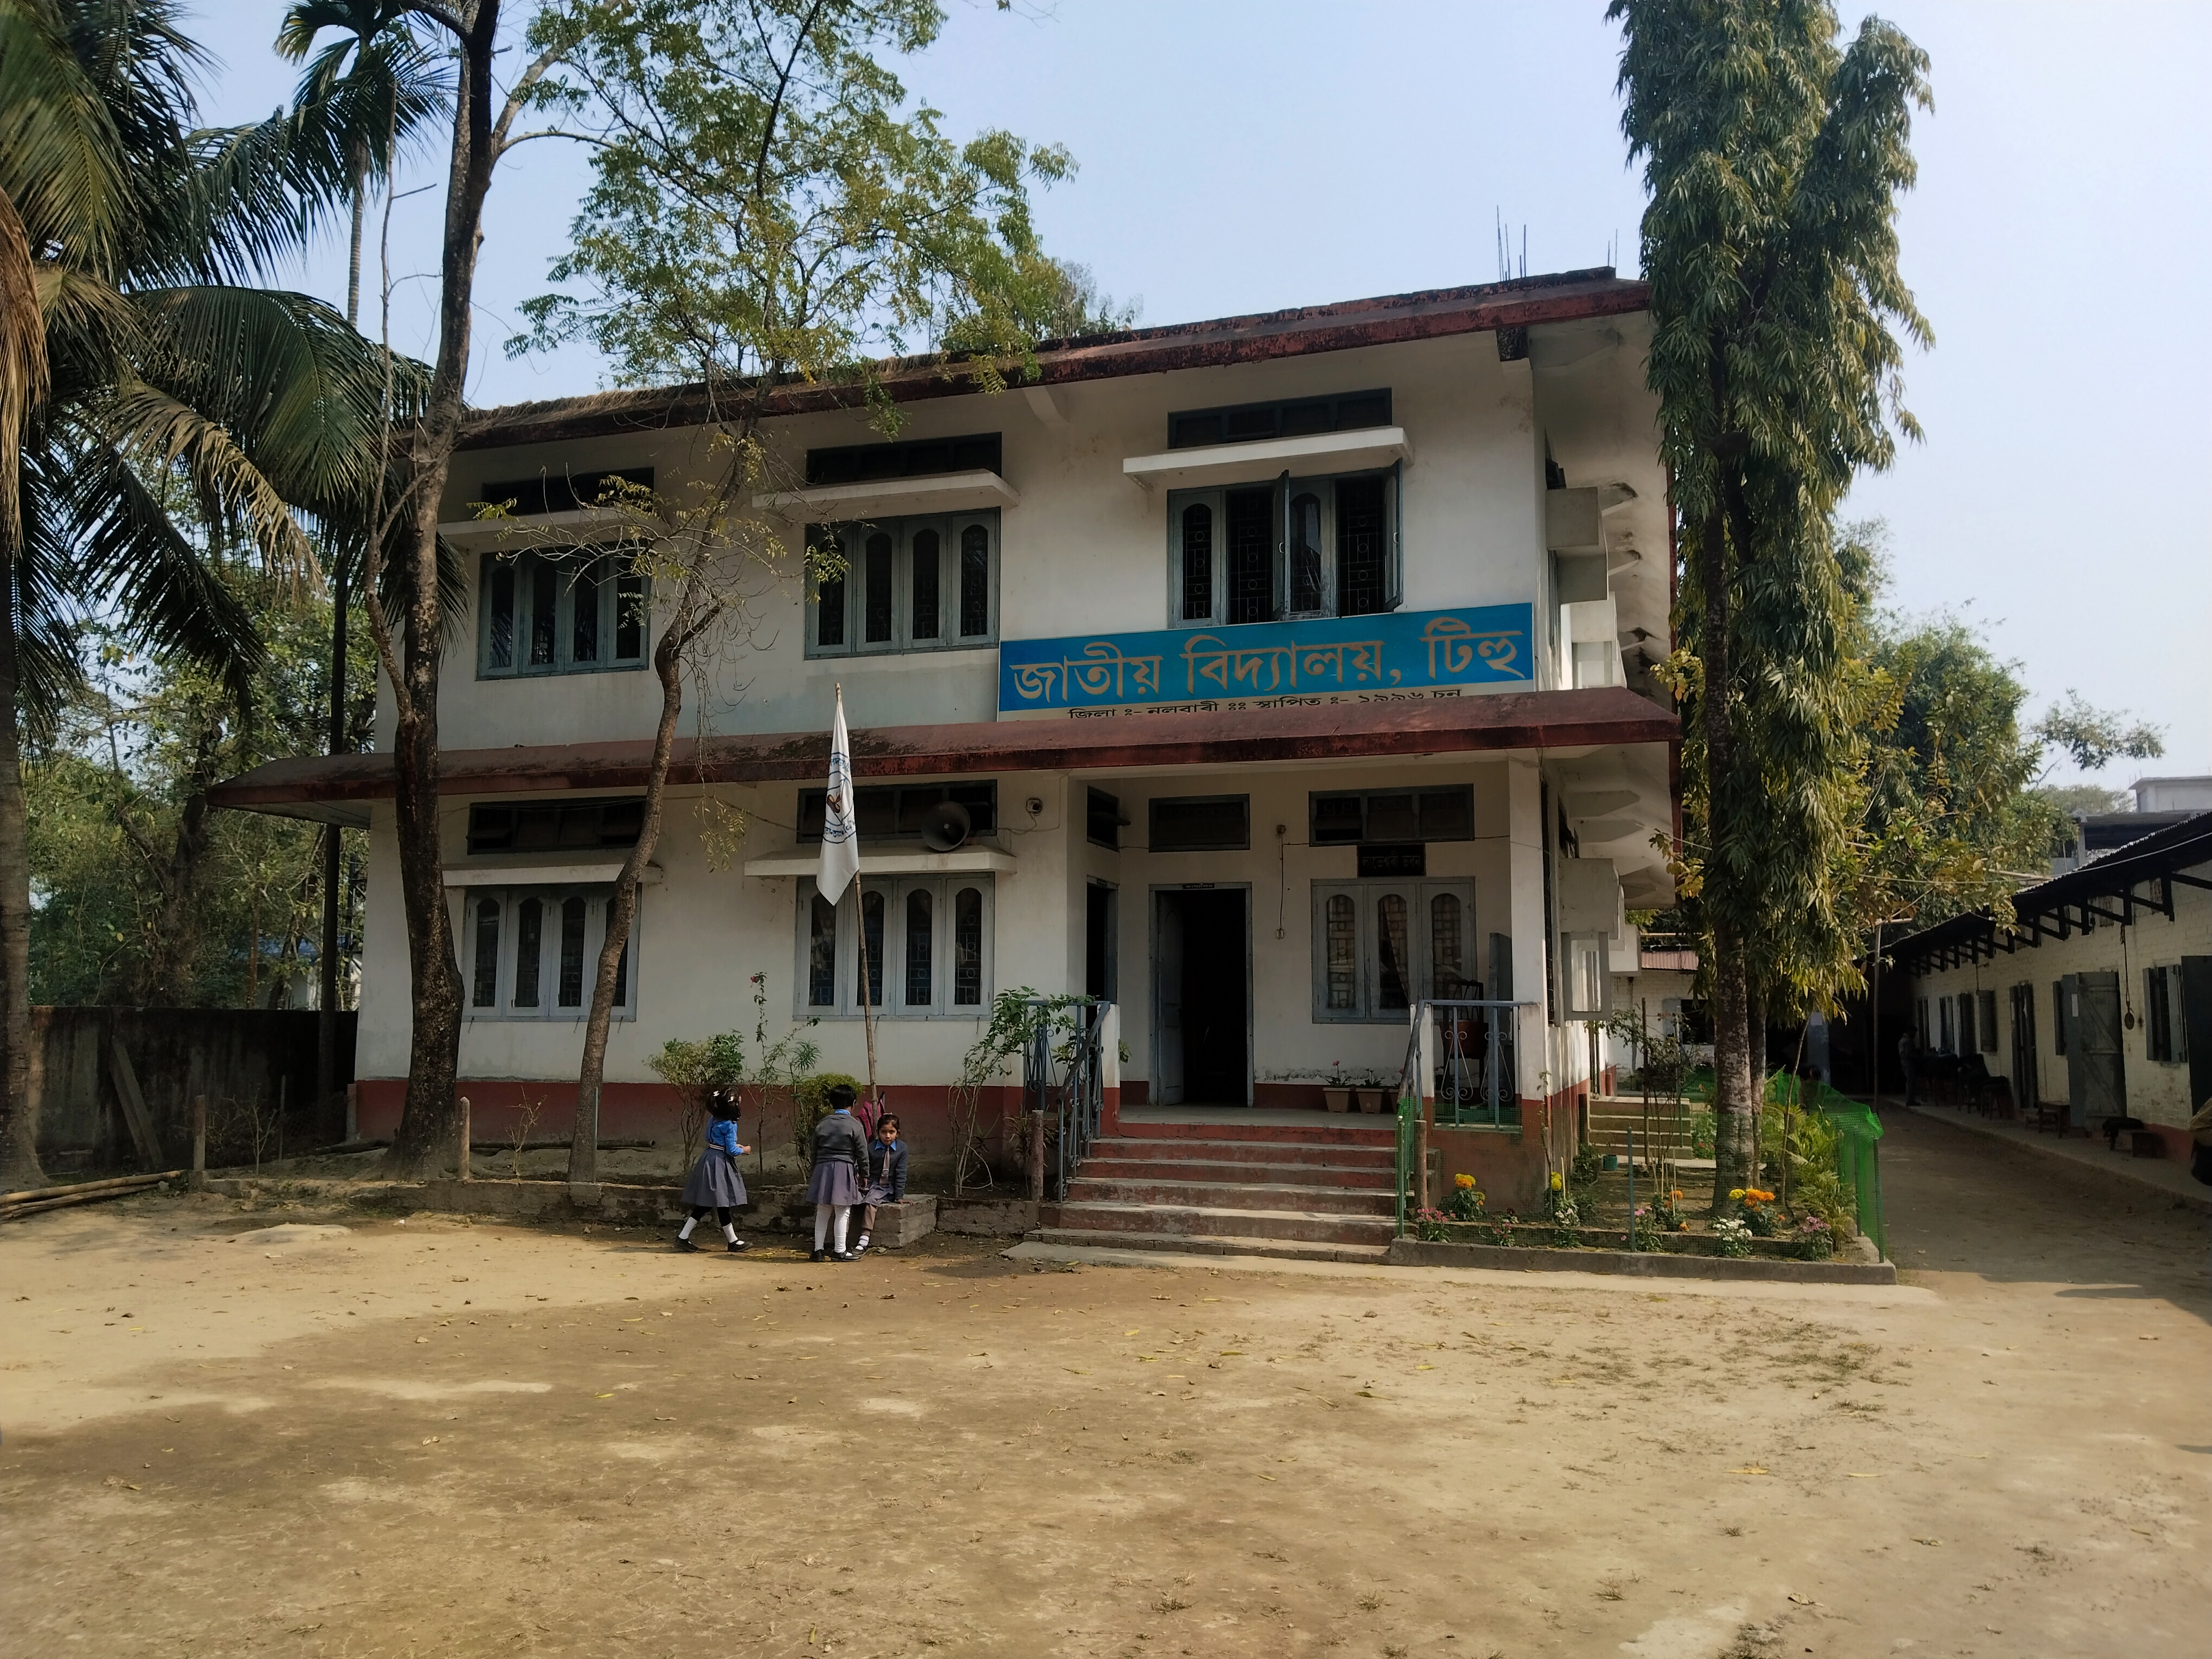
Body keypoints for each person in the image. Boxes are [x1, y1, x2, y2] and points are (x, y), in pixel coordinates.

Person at [674, 1088, 750, 1253]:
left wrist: (726, 1145)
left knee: (708, 1203)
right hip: (720, 1163)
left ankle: (684, 1237)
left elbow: (709, 1138)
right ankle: (732, 1241)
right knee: (721, 1203)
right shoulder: (730, 1125)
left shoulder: (714, 1119)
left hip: (709, 1158)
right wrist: (743, 1150)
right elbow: (731, 1150)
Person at [808, 1083, 866, 1263]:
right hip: (844, 1169)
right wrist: (864, 1174)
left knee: (823, 1210)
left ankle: (818, 1251)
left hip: (823, 1169)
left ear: (831, 1103)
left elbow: (814, 1151)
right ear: (854, 1103)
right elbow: (862, 1153)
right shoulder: (855, 1125)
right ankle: (840, 1251)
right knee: (842, 1210)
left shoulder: (823, 1124)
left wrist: (815, 1172)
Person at [854, 1111, 907, 1256]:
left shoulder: (902, 1149)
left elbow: (901, 1173)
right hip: (869, 1184)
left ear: (898, 1133)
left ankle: (864, 1239)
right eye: (884, 1132)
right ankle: (841, 1237)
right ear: (878, 1133)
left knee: (872, 1200)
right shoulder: (871, 1148)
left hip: (886, 1187)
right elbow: (862, 1166)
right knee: (852, 1199)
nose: (887, 1136)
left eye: (892, 1132)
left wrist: (899, 1196)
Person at [1896, 1031, 1917, 1107]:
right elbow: (1909, 1054)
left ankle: (1910, 1099)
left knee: (1909, 1081)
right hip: (1909, 1063)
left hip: (1904, 1062)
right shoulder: (1908, 1041)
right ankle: (1910, 1100)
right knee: (1911, 1082)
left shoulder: (1901, 1041)